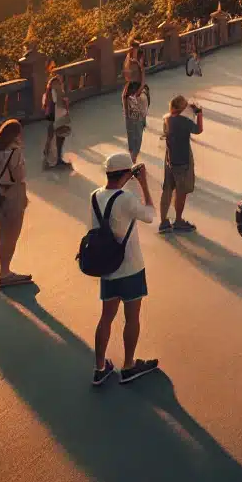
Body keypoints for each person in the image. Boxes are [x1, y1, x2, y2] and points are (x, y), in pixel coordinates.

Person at [91, 152, 160, 386]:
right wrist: (143, 184)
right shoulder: (127, 198)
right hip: (130, 266)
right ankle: (129, 365)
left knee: (106, 318)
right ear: (127, 174)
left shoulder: (95, 196)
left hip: (107, 267)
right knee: (132, 318)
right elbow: (150, 215)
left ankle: (100, 367)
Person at [0, 120, 32, 287]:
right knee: (12, 234)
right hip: (13, 194)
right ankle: (5, 273)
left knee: (3, 233)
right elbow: (19, 175)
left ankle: (3, 270)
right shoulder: (15, 151)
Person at [159, 96, 201, 234]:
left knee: (167, 189)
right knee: (181, 192)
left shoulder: (167, 119)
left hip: (169, 158)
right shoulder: (184, 121)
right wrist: (199, 113)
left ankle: (164, 221)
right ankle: (178, 221)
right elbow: (199, 130)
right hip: (182, 159)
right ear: (183, 108)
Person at [40, 71, 72, 169]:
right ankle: (56, 160)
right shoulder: (55, 93)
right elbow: (57, 103)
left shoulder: (47, 94)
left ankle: (50, 159)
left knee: (51, 139)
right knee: (59, 138)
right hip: (57, 118)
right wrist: (64, 101)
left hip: (52, 118)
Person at [122, 80, 151, 163]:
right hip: (137, 121)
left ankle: (133, 161)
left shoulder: (126, 96)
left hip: (129, 120)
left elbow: (124, 96)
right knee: (136, 145)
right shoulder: (143, 97)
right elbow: (143, 113)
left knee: (132, 145)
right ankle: (133, 163)